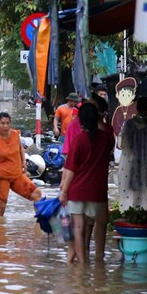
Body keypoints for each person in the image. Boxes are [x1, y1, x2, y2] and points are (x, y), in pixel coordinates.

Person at [59, 100, 116, 264]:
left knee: (78, 227)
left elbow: (70, 169)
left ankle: (83, 264)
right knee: (101, 223)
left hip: (77, 191)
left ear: (81, 120)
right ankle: (99, 257)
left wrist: (63, 191)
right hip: (98, 191)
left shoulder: (79, 139)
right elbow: (111, 143)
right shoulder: (105, 138)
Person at [0, 112, 42, 217]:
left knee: (37, 194)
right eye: (2, 123)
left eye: (8, 123)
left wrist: (23, 162)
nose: (5, 126)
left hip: (17, 174)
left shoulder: (15, 134)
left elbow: (20, 147)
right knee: (1, 208)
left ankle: (39, 224)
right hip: (1, 177)